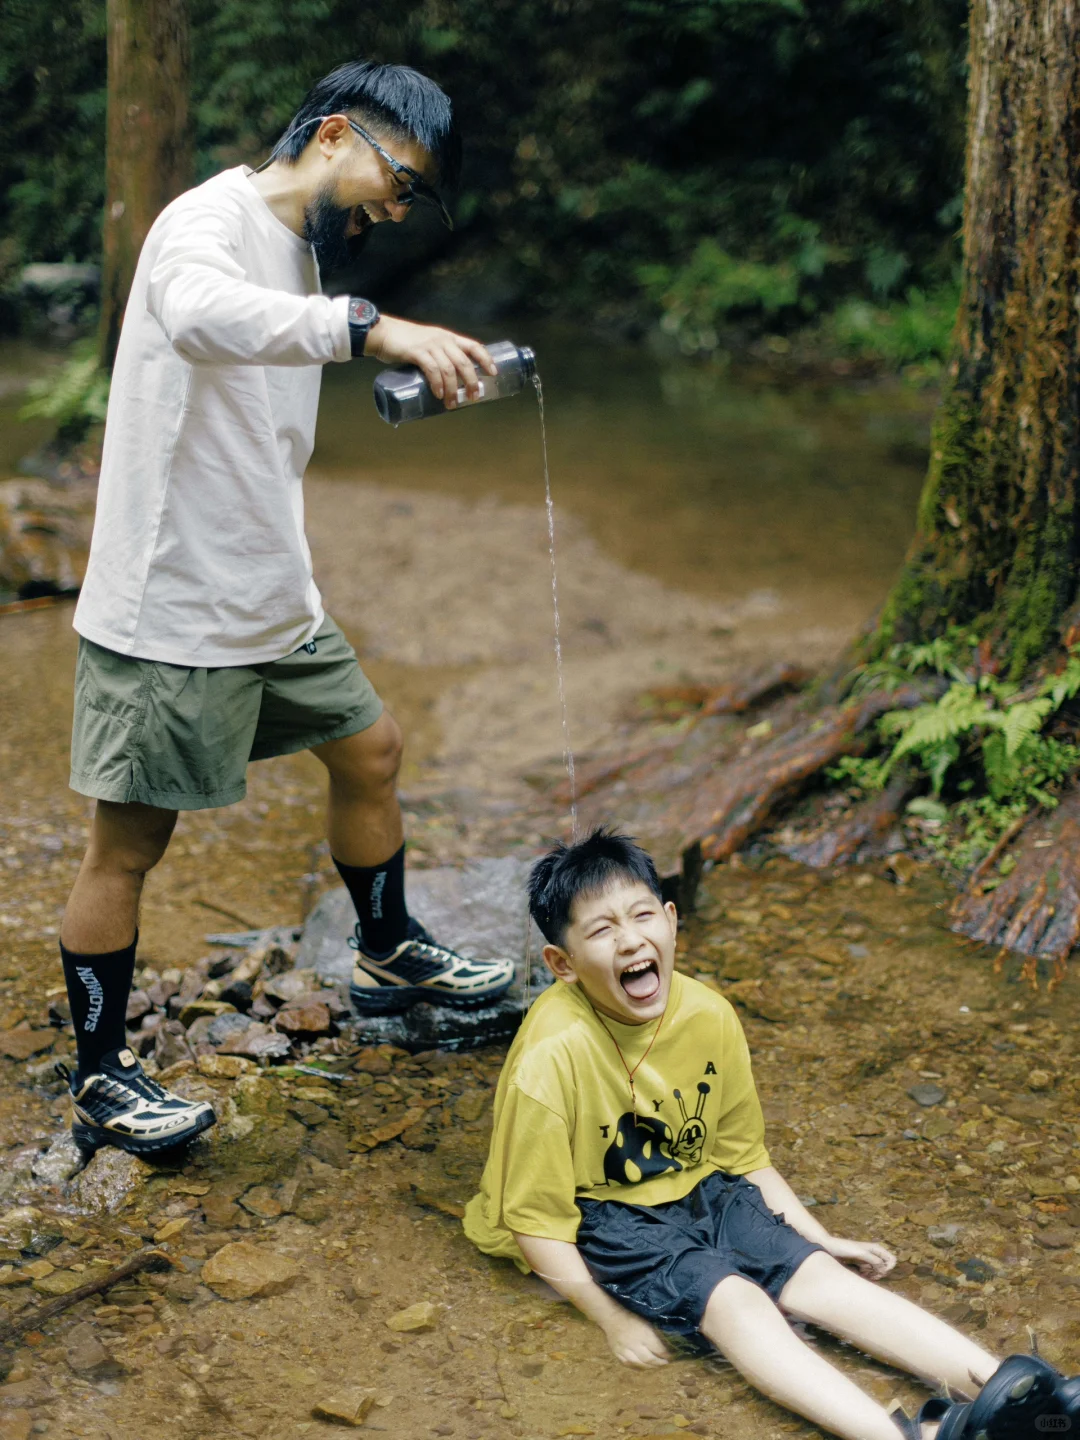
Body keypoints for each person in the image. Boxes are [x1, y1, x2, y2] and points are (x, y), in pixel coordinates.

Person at [57, 60, 516, 1158]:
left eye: (409, 197)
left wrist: (374, 341)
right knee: (128, 849)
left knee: (373, 750)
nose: (394, 208)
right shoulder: (199, 224)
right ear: (333, 137)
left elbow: (266, 365)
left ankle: (388, 946)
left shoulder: (305, 254)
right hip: (171, 606)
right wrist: (374, 329)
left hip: (272, 593)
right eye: (396, 180)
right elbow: (203, 315)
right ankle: (101, 1077)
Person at [463, 827, 1079, 1440]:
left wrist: (818, 1235)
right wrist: (607, 1319)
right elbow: (535, 1219)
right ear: (562, 963)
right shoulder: (550, 1059)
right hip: (604, 1214)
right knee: (737, 1302)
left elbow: (742, 1156)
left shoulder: (707, 1015)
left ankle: (1014, 1391)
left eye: (642, 915)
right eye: (601, 930)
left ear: (671, 921)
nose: (630, 941)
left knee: (818, 1279)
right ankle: (902, 1437)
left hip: (704, 1188)